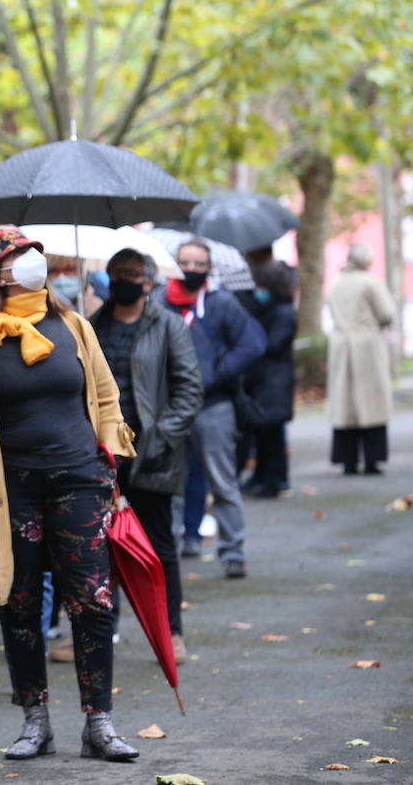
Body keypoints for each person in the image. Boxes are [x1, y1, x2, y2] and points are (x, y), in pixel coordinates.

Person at [0, 226, 140, 763]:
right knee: (19, 604)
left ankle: (98, 722)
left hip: (80, 479)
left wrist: (110, 459)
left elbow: (105, 395)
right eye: (17, 256)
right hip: (12, 492)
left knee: (93, 601)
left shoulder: (74, 325)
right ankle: (36, 720)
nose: (33, 261)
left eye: (33, 252)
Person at [90, 248, 203, 665]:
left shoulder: (169, 326)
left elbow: (189, 390)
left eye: (132, 273)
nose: (124, 279)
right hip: (102, 456)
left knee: (159, 547)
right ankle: (103, 630)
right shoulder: (91, 327)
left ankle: (171, 632)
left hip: (153, 456)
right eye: (116, 272)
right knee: (98, 546)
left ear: (149, 281)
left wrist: (157, 440)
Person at [160, 238, 266, 578]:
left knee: (223, 483)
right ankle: (168, 553)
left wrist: (216, 374)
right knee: (169, 485)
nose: (190, 269)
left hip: (214, 406)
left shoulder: (222, 303)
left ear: (209, 269)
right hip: (170, 408)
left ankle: (233, 552)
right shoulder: (159, 302)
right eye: (184, 262)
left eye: (198, 264)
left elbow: (252, 344)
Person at [327, 244, 396, 475]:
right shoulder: (370, 282)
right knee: (371, 402)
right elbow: (386, 313)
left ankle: (347, 460)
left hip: (340, 346)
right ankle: (372, 459)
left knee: (344, 404)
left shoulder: (335, 283)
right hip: (367, 344)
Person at [240, 262, 298, 497]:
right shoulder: (269, 310)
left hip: (275, 381)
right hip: (265, 380)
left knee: (272, 434)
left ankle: (274, 479)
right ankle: (263, 476)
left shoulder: (283, 313)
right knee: (263, 433)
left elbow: (273, 345)